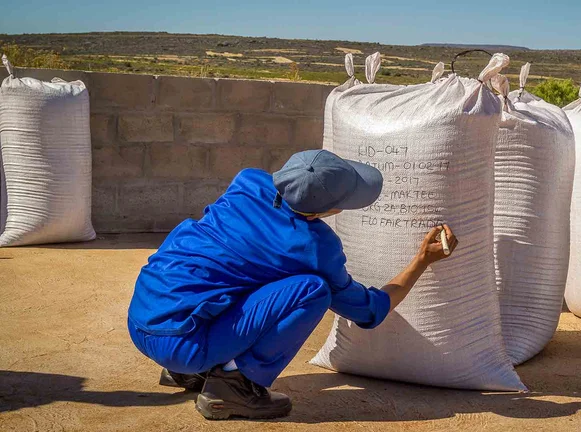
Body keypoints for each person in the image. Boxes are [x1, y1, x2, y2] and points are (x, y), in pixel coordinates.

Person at [126, 149, 458, 420]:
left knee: (235, 274)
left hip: (145, 315)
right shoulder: (315, 247)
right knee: (312, 290)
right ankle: (234, 385)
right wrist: (421, 261)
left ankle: (189, 371)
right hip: (184, 344)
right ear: (323, 212)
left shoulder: (248, 182)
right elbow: (370, 311)